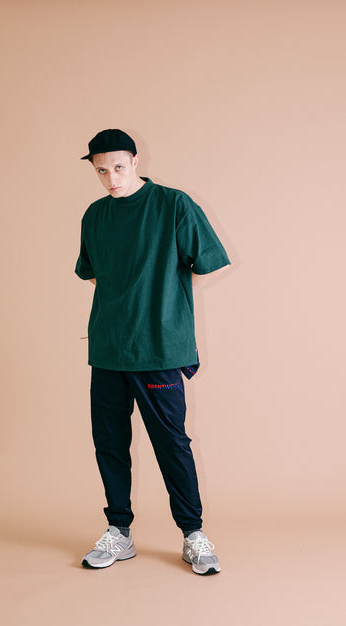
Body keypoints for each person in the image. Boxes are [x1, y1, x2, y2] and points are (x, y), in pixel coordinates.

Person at [75, 129, 230, 575]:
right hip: (108, 347)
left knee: (172, 443)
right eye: (101, 171)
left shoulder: (173, 205)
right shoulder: (95, 216)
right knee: (109, 443)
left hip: (159, 348)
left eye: (118, 167)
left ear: (135, 161)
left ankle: (193, 534)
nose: (111, 179)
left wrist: (164, 303)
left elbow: (210, 264)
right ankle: (118, 532)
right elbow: (93, 273)